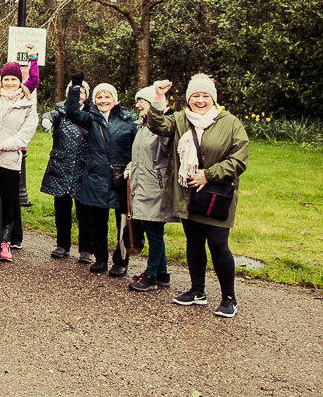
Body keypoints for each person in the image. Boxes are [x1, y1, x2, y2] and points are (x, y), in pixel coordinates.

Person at [147, 75, 249, 317]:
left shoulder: (230, 123)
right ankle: (197, 291)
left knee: (218, 245)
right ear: (188, 99)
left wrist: (208, 175)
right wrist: (159, 97)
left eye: (205, 96)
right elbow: (157, 125)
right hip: (188, 193)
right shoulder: (180, 119)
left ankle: (229, 298)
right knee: (193, 243)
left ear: (213, 98)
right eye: (195, 96)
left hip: (216, 194)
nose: (200, 100)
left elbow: (238, 160)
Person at [64, 76, 138, 275]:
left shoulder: (129, 120)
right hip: (96, 177)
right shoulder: (91, 119)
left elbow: (137, 148)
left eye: (107, 96)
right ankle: (100, 259)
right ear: (94, 100)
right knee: (98, 222)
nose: (103, 100)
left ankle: (121, 261)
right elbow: (71, 111)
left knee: (123, 222)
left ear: (115, 99)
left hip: (121, 178)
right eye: (99, 97)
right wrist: (75, 88)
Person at [0, 61, 38, 261]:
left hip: (9, 160)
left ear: (20, 81)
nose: (10, 83)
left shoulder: (27, 106)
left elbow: (25, 135)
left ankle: (4, 242)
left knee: (8, 202)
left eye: (14, 79)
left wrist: (3, 145)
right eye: (6, 79)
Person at [125, 84, 176, 292]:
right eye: (137, 101)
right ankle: (162, 274)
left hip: (155, 187)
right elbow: (140, 155)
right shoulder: (142, 126)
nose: (137, 105)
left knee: (154, 232)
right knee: (152, 230)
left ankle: (151, 275)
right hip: (142, 184)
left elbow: (166, 151)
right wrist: (130, 167)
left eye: (142, 101)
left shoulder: (162, 127)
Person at [40, 81, 90, 261]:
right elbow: (50, 115)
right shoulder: (60, 110)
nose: (78, 95)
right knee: (62, 210)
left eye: (82, 92)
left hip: (83, 169)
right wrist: (46, 120)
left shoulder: (92, 114)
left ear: (87, 95)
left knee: (85, 212)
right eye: (74, 91)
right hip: (60, 169)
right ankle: (62, 245)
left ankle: (86, 250)